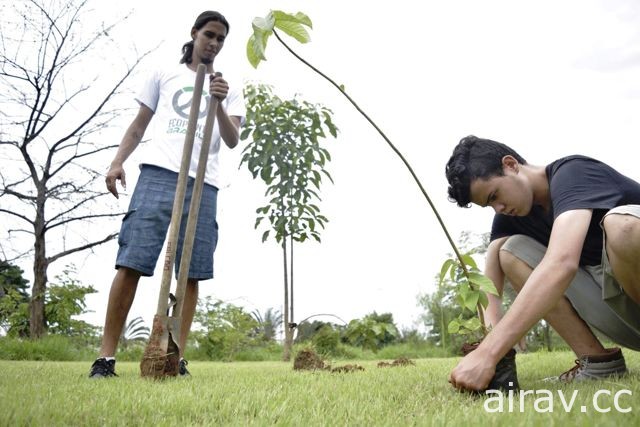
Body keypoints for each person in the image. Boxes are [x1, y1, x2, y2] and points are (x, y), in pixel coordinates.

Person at [89, 11, 245, 378]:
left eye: (221, 39)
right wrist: (116, 162)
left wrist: (218, 102)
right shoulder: (164, 72)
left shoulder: (228, 85)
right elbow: (139, 123)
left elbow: (232, 139)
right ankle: (105, 358)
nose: (215, 43)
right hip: (158, 175)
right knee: (133, 261)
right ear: (194, 33)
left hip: (203, 182)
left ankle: (174, 356)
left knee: (190, 273)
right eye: (210, 35)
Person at [445, 135, 640, 391]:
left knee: (621, 226)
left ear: (511, 164)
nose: (499, 208)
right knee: (510, 252)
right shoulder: (513, 215)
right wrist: (495, 346)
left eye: (495, 195)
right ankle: (598, 364)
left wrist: (488, 353)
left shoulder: (573, 173)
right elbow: (489, 282)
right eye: (489, 205)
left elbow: (562, 263)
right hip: (626, 313)